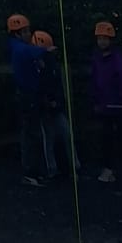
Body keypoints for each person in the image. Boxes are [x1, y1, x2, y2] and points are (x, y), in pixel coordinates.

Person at [89, 21, 122, 186]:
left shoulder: (117, 57)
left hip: (119, 105)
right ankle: (108, 169)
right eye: (100, 38)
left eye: (105, 38)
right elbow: (94, 80)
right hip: (105, 105)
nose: (102, 42)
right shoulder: (96, 58)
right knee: (106, 138)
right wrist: (96, 99)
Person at [6, 13, 47, 187]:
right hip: (26, 95)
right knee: (31, 133)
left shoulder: (19, 48)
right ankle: (30, 172)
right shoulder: (19, 48)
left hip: (29, 95)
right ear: (17, 33)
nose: (29, 34)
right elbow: (28, 52)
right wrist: (46, 50)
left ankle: (34, 171)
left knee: (32, 132)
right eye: (25, 31)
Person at [31, 30, 76, 180]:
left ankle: (73, 166)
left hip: (56, 106)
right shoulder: (36, 67)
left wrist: (57, 101)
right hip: (46, 108)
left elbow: (57, 86)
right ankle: (52, 168)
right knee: (49, 138)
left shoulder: (53, 66)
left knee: (66, 134)